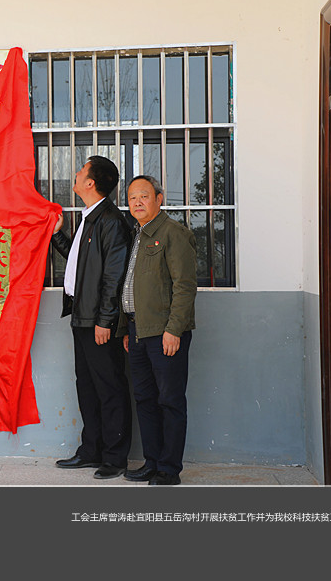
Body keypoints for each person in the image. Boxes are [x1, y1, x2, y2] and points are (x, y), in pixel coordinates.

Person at [51, 156, 133, 480]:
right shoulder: (91, 217)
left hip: (98, 322)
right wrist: (57, 235)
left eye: (81, 170)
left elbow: (114, 276)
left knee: (109, 387)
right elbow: (79, 263)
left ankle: (114, 457)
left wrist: (105, 320)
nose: (75, 173)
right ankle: (91, 450)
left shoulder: (110, 221)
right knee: (87, 386)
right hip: (82, 316)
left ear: (91, 182)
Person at [120, 175, 197, 486]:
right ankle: (151, 462)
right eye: (132, 198)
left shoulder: (173, 233)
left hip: (164, 333)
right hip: (138, 331)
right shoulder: (137, 234)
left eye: (144, 196)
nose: (137, 202)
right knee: (145, 399)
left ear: (159, 199)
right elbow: (132, 286)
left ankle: (168, 469)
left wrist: (174, 330)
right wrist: (128, 329)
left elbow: (185, 286)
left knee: (170, 401)